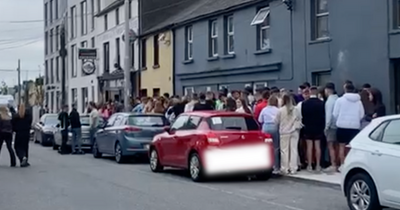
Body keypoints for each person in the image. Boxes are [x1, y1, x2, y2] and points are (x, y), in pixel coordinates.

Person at [333, 83, 364, 171]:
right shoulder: (359, 101)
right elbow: (361, 114)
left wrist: (340, 119)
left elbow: (335, 114)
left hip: (342, 126)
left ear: (345, 89)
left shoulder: (340, 100)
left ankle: (343, 165)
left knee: (341, 146)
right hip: (354, 127)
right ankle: (352, 165)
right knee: (352, 148)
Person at [275, 94, 302, 174]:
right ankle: (293, 168)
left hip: (284, 132)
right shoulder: (296, 109)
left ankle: (285, 168)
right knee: (294, 150)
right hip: (294, 131)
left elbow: (276, 121)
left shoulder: (280, 110)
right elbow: (300, 119)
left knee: (284, 151)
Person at [301, 86, 325, 172]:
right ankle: (318, 165)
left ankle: (310, 165)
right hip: (318, 127)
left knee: (309, 147)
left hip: (308, 126)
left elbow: (303, 116)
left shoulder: (305, 103)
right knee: (318, 146)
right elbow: (323, 116)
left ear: (310, 92)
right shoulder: (322, 103)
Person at [258, 95, 280, 174]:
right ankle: (276, 166)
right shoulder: (278, 110)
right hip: (274, 127)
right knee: (276, 147)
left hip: (266, 127)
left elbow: (260, 120)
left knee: (265, 147)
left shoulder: (264, 109)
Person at [324, 83, 339, 172]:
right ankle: (338, 163)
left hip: (331, 126)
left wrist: (326, 127)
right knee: (337, 146)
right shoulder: (338, 99)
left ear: (327, 90)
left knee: (330, 145)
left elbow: (329, 115)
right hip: (339, 125)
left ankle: (333, 164)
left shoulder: (329, 101)